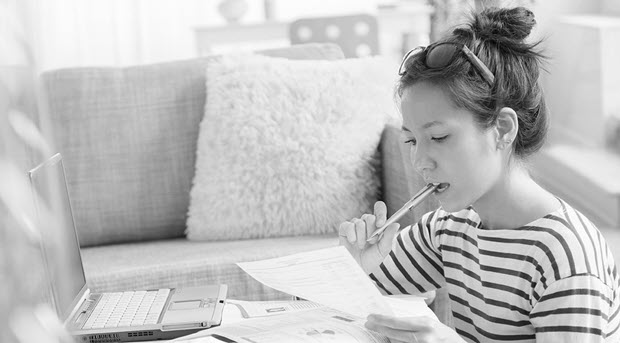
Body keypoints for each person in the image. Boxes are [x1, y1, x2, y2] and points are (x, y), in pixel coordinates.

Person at [339, 6, 620, 343]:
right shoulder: (448, 227)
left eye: (439, 138)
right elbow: (347, 312)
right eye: (412, 140)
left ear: (502, 128)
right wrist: (360, 268)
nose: (419, 161)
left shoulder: (565, 258)